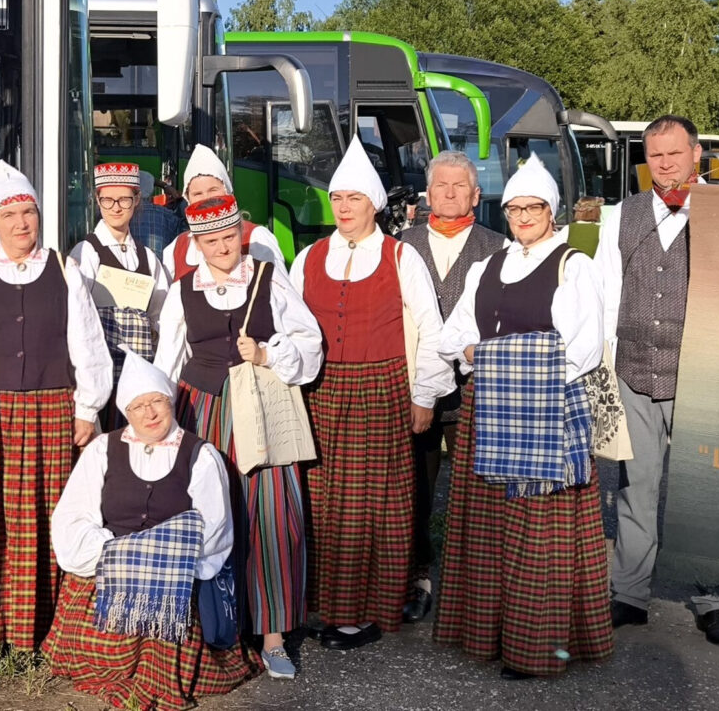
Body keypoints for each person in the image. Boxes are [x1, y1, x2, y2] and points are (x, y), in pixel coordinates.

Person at [0, 160, 113, 675]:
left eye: (28, 213)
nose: (21, 224)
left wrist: (87, 409)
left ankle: (42, 630)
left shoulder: (64, 271)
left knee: (48, 518)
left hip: (53, 410)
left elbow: (88, 345)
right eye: (9, 216)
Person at [435, 154, 613, 679]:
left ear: (551, 211)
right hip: (487, 410)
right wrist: (479, 353)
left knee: (538, 537)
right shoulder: (486, 267)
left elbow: (583, 349)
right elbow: (453, 335)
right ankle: (485, 634)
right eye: (514, 209)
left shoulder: (572, 265)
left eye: (534, 207)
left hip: (545, 412)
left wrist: (493, 357)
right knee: (488, 529)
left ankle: (536, 649)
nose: (523, 217)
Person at [290, 137, 453, 649]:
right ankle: (323, 604)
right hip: (323, 392)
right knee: (323, 502)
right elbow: (291, 325)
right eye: (337, 198)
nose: (343, 208)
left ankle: (365, 612)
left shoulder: (401, 257)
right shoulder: (309, 257)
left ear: (374, 204)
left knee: (373, 506)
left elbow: (431, 329)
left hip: (382, 389)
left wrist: (424, 395)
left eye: (354, 198)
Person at [154, 194, 323, 679]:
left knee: (271, 517)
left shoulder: (269, 278)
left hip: (261, 410)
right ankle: (214, 628)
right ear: (196, 244)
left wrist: (268, 354)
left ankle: (273, 636)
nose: (223, 247)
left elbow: (309, 342)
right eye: (212, 241)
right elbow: (169, 359)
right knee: (206, 514)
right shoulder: (183, 292)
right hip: (202, 411)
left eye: (230, 237)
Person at [44, 347, 256, 709]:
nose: (150, 413)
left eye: (157, 401)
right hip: (112, 572)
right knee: (97, 652)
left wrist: (161, 555)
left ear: (170, 402)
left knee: (175, 648)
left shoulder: (201, 455)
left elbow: (214, 530)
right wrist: (117, 553)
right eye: (138, 406)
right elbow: (72, 519)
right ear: (126, 412)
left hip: (174, 581)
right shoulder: (102, 449)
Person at [595, 115, 719, 646]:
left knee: (705, 492)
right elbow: (606, 289)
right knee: (637, 485)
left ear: (697, 154)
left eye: (675, 153)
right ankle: (630, 594)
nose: (665, 164)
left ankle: (711, 599)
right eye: (656, 155)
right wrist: (605, 363)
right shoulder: (621, 215)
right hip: (634, 368)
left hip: (702, 372)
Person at [398, 151, 505, 622]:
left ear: (476, 196)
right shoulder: (402, 245)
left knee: (479, 494)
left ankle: (475, 587)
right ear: (428, 192)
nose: (449, 193)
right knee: (415, 490)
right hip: (417, 389)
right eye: (441, 185)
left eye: (460, 186)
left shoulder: (497, 247)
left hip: (474, 391)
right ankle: (418, 576)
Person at [68, 162, 169, 428]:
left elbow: (161, 316)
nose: (116, 207)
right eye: (108, 200)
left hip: (139, 379)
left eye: (124, 199)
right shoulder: (86, 252)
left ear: (136, 200)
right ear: (97, 200)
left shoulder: (147, 257)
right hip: (101, 375)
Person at [161, 145, 284, 280]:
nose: (206, 199)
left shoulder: (256, 237)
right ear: (188, 199)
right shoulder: (178, 247)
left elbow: (277, 286)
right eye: (197, 194)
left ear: (227, 191)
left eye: (213, 190)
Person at [129, 170, 187, 256]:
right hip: (160, 263)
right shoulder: (167, 215)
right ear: (150, 188)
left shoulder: (122, 215)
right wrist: (166, 186)